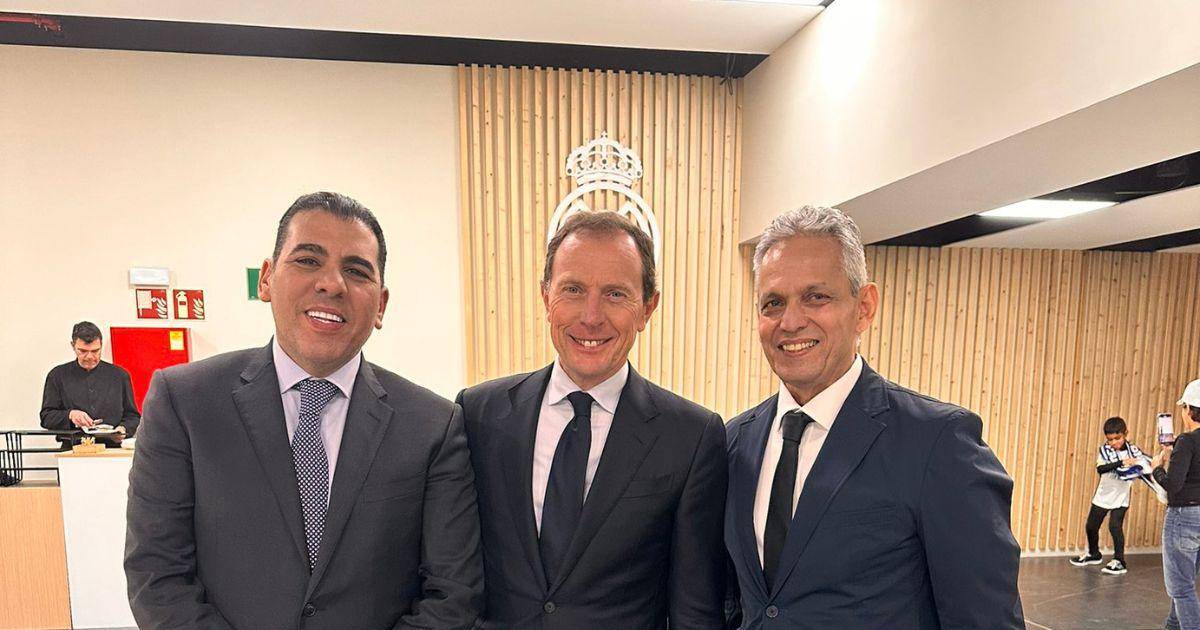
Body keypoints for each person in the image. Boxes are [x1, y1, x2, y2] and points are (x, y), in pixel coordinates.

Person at [125, 192, 483, 629]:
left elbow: (452, 594)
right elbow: (157, 577)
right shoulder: (184, 402)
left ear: (381, 305)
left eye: (356, 270)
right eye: (308, 260)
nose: (332, 284)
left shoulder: (433, 425)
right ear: (266, 279)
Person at [723, 206, 1023, 629]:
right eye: (773, 303)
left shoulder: (938, 443)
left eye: (816, 297)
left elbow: (984, 620)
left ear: (864, 307)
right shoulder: (735, 442)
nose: (790, 322)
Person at [456, 211, 728, 628]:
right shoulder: (478, 413)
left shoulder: (692, 437)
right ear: (546, 297)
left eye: (615, 294)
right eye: (573, 290)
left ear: (647, 308)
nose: (591, 316)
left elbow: (695, 611)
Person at [1070, 416, 1159, 575]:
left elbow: (1144, 466)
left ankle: (1119, 560)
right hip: (1104, 494)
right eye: (1110, 439)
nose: (1114, 442)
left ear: (1126, 434)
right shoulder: (1105, 451)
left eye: (1117, 438)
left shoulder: (1133, 451)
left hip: (1121, 495)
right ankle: (1094, 554)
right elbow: (1101, 469)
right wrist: (1121, 463)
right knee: (1091, 526)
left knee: (1115, 526)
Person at [40, 321, 140, 445]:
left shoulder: (120, 376)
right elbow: (46, 418)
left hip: (111, 448)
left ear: (101, 345)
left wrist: (123, 430)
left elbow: (133, 416)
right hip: (73, 448)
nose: (89, 357)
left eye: (95, 351)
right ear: (73, 346)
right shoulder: (57, 376)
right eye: (83, 351)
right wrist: (70, 415)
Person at [1152, 379, 1200, 630]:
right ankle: (1173, 625)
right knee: (1186, 579)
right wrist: (1174, 455)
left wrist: (1156, 469)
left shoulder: (1187, 441)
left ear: (1189, 410)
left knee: (1181, 588)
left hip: (1184, 517)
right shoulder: (1184, 445)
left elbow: (1173, 485)